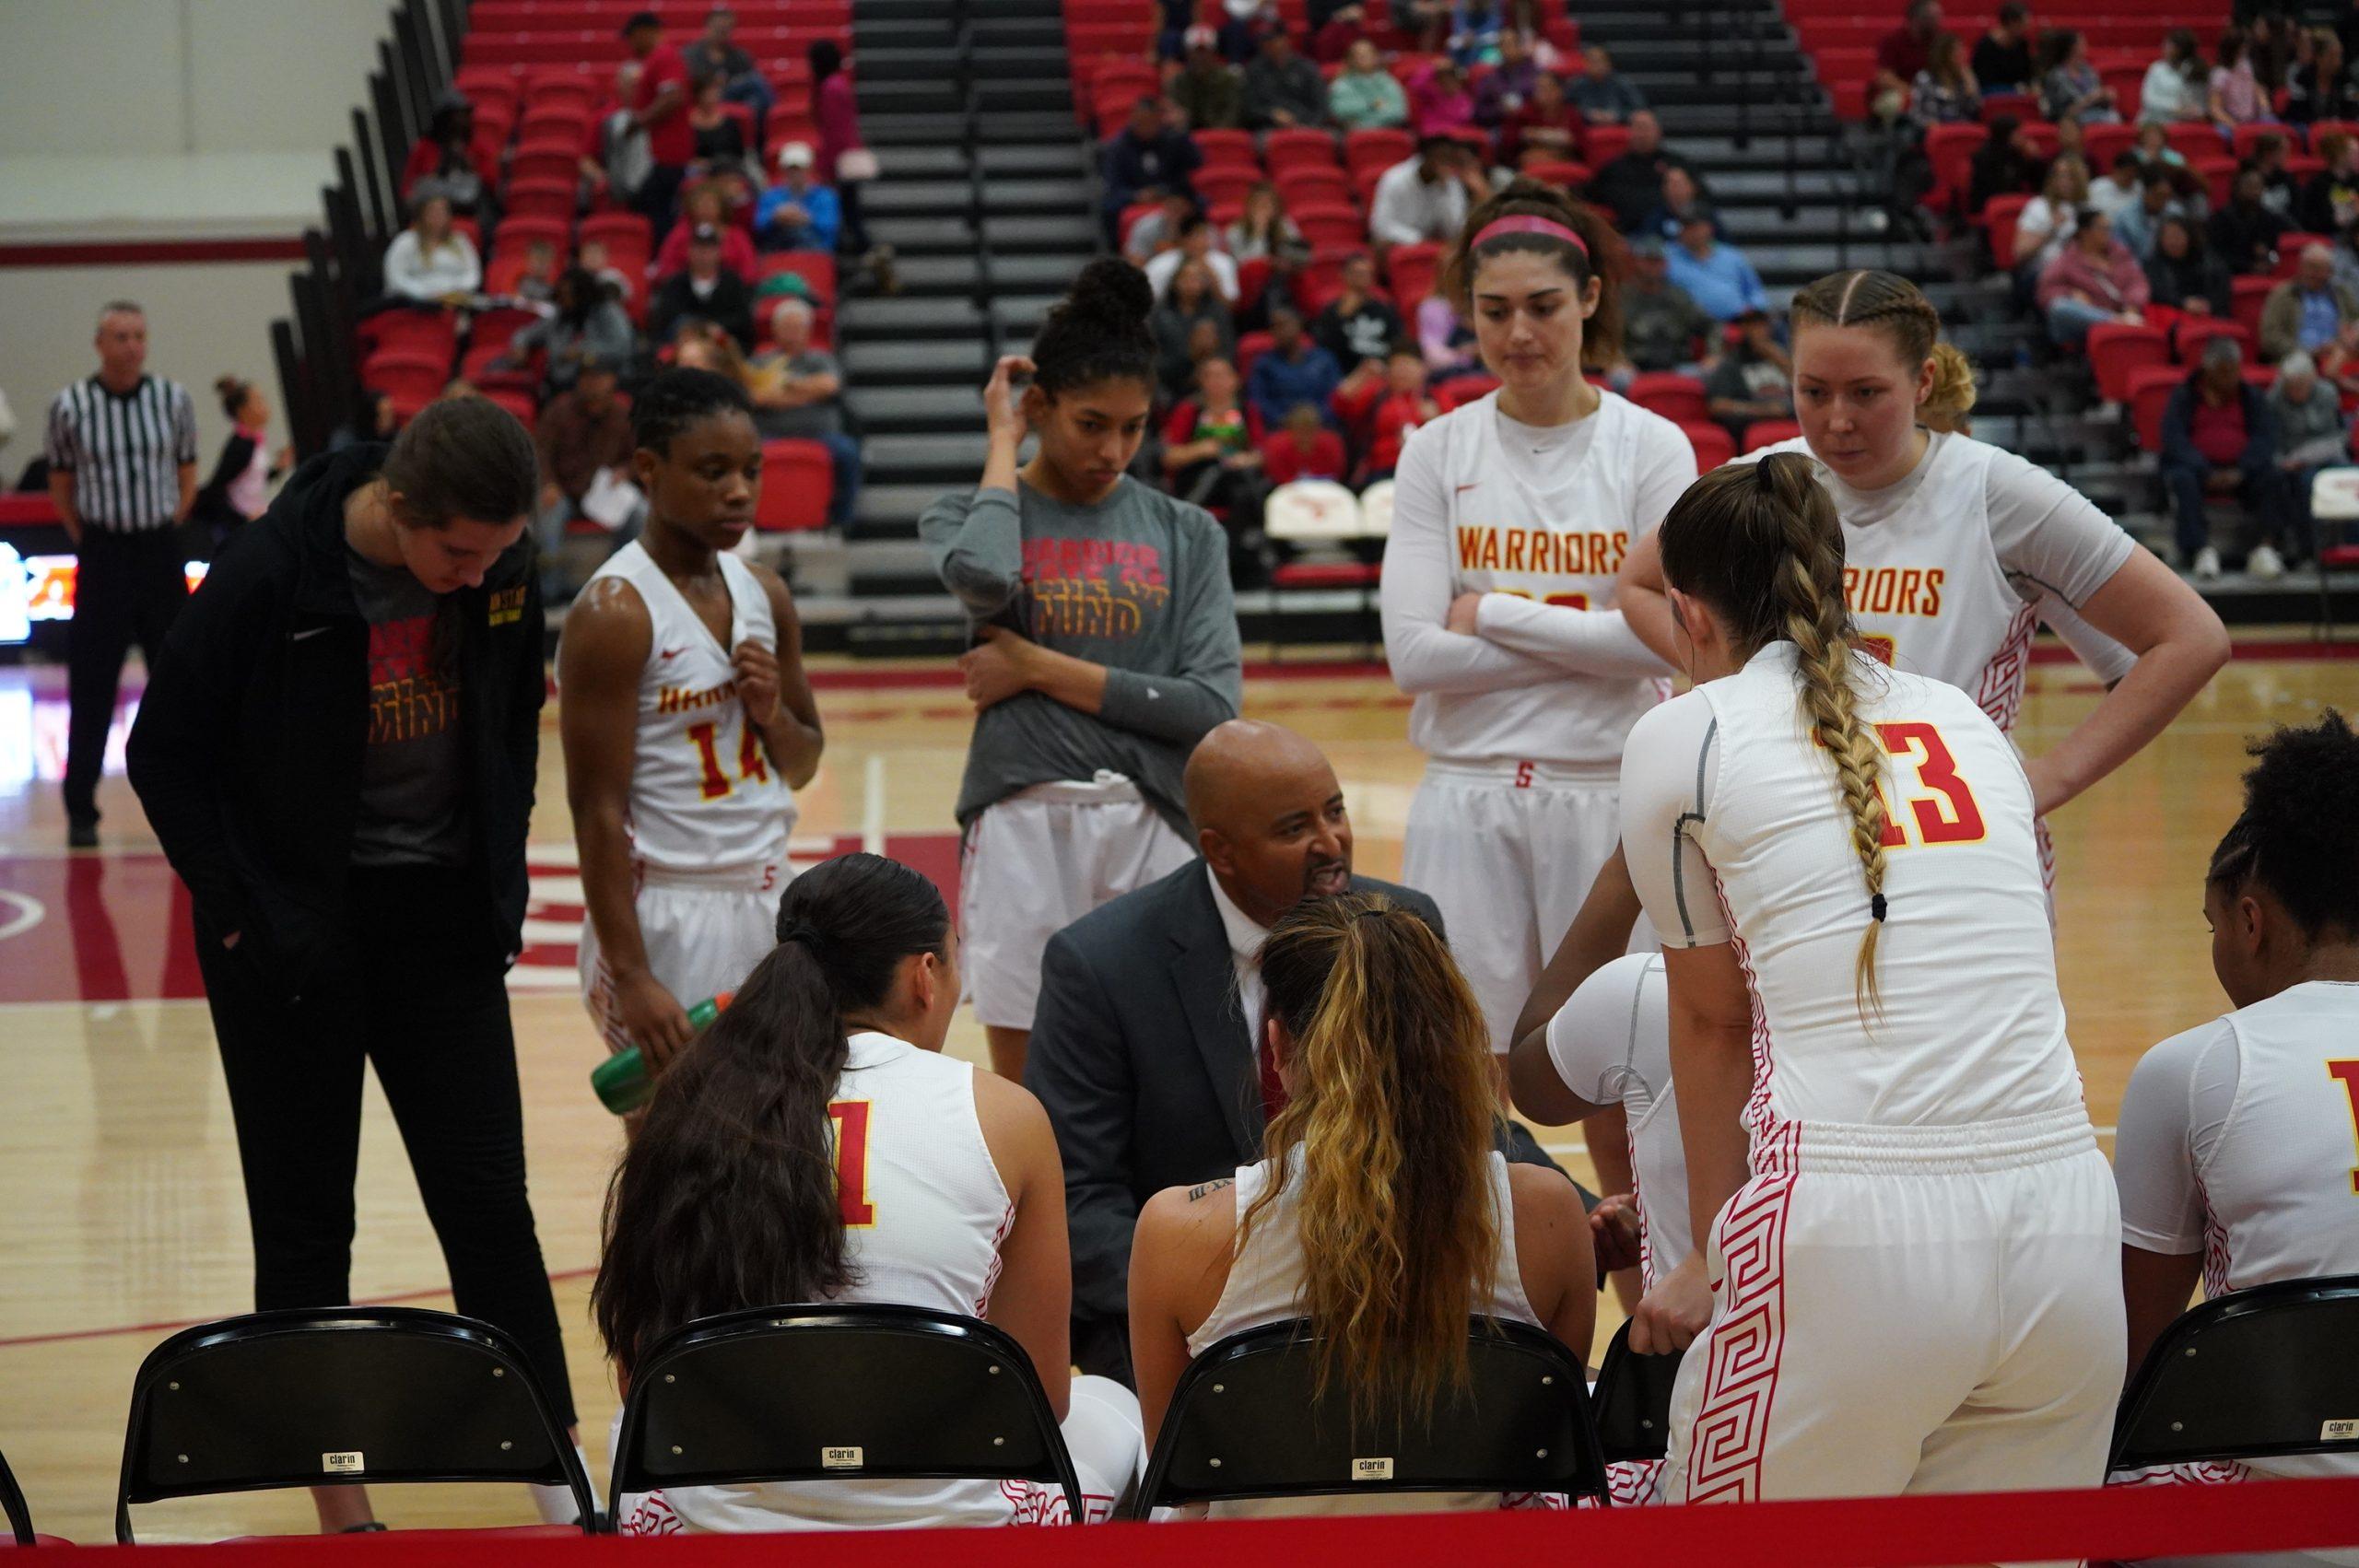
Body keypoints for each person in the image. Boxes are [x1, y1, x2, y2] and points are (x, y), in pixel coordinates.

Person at [1618, 454, 2122, 1501]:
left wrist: (1714, 1254)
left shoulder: (1680, 733)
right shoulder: (1966, 718)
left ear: (1687, 614)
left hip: (1851, 1231)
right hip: (2068, 1220)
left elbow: (1711, 1027)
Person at [125, 398, 580, 1531]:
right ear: (398, 508)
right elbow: (162, 753)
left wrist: (501, 883)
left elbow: (516, 719)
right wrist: (238, 915)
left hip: (441, 929)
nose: (477, 578)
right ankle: (338, 1495)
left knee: (487, 1204)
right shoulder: (271, 572)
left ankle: (560, 1469)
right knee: (304, 1217)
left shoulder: (502, 568)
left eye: (498, 552)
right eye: (457, 555)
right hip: (293, 939)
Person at [1616, 269, 2229, 882]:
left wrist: (2050, 778)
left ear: (1923, 380)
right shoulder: (1763, 482)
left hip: (1963, 841)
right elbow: (1640, 582)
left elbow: (2192, 636)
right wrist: (1725, 686)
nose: (1837, 420)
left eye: (1865, 392)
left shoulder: (1998, 492)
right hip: (1796, 826)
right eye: (1813, 391)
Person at [599, 854, 1142, 1531]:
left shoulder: (684, 1107)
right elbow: (1041, 1396)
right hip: (955, 1524)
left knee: (626, 1428)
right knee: (1115, 1408)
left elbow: (641, 1384)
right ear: (924, 976)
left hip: (724, 1526)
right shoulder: (1006, 1114)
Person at [1128, 891, 1598, 1513]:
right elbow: (1541, 1452)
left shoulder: (1177, 1232)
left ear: (1279, 1049)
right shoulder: (1548, 1213)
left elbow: (1178, 1474)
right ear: (1453, 1046)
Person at [1024, 720, 1446, 1378]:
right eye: (1293, 828)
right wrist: (1239, 1285)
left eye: (1334, 812)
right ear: (1219, 850)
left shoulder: (1401, 926)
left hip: (1389, 1297)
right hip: (1197, 1323)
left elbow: (1461, 1114)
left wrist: (1584, 1215)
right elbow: (1076, 1197)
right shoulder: (1101, 965)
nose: (1331, 843)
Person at [1379, 181, 1692, 1050]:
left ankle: (1632, 1201)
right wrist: (1598, 643)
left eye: (1544, 307)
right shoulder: (1437, 450)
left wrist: (1490, 613)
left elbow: (1664, 645)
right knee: (1464, 1065)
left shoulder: (1653, 446)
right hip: (1466, 791)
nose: (1519, 333)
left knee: (1618, 1061)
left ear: (1590, 300)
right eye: (1494, 310)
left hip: (1607, 792)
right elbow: (1412, 656)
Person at [919, 260, 1242, 1084]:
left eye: (1133, 428)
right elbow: (987, 581)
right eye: (1090, 423)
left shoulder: (1187, 531)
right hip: (1023, 816)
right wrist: (1002, 442)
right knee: (1035, 1090)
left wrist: (1033, 666)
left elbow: (1209, 707)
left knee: (1168, 1077)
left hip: (1153, 816)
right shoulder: (969, 515)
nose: (1112, 450)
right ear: (1039, 407)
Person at [2112, 711, 2359, 1500]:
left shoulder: (2195, 1067)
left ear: (2251, 922)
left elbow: (2133, 1358)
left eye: (2211, 925)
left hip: (2277, 1520)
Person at [559, 369, 822, 1078]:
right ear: (649, 468)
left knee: (778, 1134)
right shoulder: (614, 612)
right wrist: (635, 975)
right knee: (672, 1148)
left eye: (750, 470)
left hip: (767, 892)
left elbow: (803, 763)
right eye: (713, 471)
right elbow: (596, 811)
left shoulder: (764, 592)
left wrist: (770, 715)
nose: (738, 490)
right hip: (668, 909)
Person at [43, 302, 198, 848]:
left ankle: (192, 800)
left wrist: (170, 522)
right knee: (91, 683)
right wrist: (86, 534)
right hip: (104, 552)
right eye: (120, 336)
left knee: (178, 678)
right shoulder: (71, 405)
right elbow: (60, 482)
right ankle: (81, 812)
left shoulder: (173, 399)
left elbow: (186, 471)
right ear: (99, 343)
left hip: (158, 549)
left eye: (139, 335)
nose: (131, 345)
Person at [2162, 336, 2292, 581]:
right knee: (2181, 478)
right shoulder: (2184, 396)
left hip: (2242, 470)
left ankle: (2265, 548)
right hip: (2199, 470)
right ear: (2207, 370)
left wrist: (2242, 469)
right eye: (2223, 373)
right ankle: (2199, 550)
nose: (2230, 378)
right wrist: (2203, 469)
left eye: (2234, 372)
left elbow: (2264, 438)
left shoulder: (2251, 396)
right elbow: (2174, 440)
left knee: (2273, 476)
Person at [749, 298, 862, 533]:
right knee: (744, 460)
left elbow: (829, 386)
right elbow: (756, 396)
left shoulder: (822, 359)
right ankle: (754, 521)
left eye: (797, 327)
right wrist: (808, 394)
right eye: (786, 327)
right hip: (771, 434)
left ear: (808, 330)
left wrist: (785, 387)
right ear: (775, 330)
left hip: (820, 434)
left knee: (848, 453)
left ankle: (841, 521)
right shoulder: (760, 361)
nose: (791, 334)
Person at [531, 357, 638, 599]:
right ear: (579, 381)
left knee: (640, 511)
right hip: (564, 490)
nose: (594, 384)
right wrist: (548, 484)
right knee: (549, 511)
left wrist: (627, 471)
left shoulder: (623, 414)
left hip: (605, 493)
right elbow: (541, 452)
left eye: (599, 377)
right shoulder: (559, 410)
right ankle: (550, 590)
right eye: (588, 378)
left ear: (611, 380)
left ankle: (621, 581)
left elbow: (640, 455)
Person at [809, 38, 888, 287]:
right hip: (846, 152)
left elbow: (835, 131)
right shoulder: (839, 83)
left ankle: (868, 252)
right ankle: (865, 253)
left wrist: (827, 164)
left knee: (848, 210)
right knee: (849, 208)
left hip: (841, 157)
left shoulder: (830, 88)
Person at [2260, 351, 2341, 575]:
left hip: (2326, 459)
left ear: (2313, 379)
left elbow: (2334, 440)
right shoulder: (2274, 398)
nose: (2294, 392)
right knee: (2278, 481)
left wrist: (2301, 459)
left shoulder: (2327, 393)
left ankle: (2335, 548)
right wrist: (2283, 462)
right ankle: (2302, 551)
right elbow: (2271, 441)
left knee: (2314, 481)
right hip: (2287, 462)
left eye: (2300, 386)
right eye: (2290, 386)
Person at [502, 267, 639, 398]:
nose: (564, 300)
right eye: (562, 295)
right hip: (562, 385)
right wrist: (520, 345)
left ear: (582, 294)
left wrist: (582, 351)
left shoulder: (607, 312)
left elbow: (623, 347)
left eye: (569, 295)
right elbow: (525, 333)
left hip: (604, 382)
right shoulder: (561, 315)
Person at [192, 375, 291, 544]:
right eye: (259, 401)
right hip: (239, 527)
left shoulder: (253, 442)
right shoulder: (240, 446)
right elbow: (219, 488)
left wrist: (279, 468)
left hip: (253, 518)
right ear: (242, 410)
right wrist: (242, 518)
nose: (266, 407)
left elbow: (249, 482)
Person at [622, 9, 694, 229]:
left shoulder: (664, 56)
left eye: (632, 37)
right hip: (661, 152)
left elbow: (673, 97)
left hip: (666, 153)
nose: (630, 45)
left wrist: (640, 121)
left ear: (644, 32)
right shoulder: (658, 58)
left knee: (658, 212)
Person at [1100, 96, 1202, 250]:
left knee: (1201, 203)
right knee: (1109, 208)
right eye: (1141, 122)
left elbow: (1196, 162)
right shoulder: (1119, 147)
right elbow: (1114, 185)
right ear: (1133, 120)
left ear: (1159, 120)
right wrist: (1135, 196)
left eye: (1151, 122)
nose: (1146, 127)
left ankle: (1194, 247)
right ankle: (1117, 252)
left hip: (1170, 194)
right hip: (1133, 196)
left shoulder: (1172, 140)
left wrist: (1182, 130)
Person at [2038, 209, 2150, 347]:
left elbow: (2138, 282)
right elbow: (2046, 291)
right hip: (2084, 322)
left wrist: (2132, 306)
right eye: (2103, 228)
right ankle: (2117, 322)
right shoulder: (2067, 259)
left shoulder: (2120, 254)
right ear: (2085, 232)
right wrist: (2070, 293)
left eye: (2109, 228)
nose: (2108, 232)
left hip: (2124, 311)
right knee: (2060, 308)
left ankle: (2121, 321)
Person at [1590, 111, 1708, 233]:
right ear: (1628, 132)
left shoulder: (1679, 165)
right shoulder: (1613, 169)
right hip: (1630, 235)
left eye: (1646, 128)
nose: (1642, 134)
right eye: (1637, 128)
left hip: (1681, 233)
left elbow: (1703, 199)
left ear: (1658, 131)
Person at [1619, 235, 1716, 373]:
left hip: (1678, 364)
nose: (1652, 266)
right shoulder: (1622, 297)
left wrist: (1713, 355)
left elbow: (1711, 325)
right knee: (1620, 377)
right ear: (1636, 262)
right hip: (1634, 365)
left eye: (1657, 261)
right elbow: (1606, 334)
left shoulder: (1679, 297)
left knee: (1711, 373)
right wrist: (1617, 359)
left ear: (1665, 264)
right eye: (1647, 261)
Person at [1369, 135, 1487, 249]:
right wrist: (1418, 240)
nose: (1444, 162)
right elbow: (1381, 225)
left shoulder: (1449, 182)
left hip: (1429, 243)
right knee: (1382, 243)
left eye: (1448, 158)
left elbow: (1454, 230)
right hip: (1398, 241)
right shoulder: (1395, 178)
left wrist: (1444, 191)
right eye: (1440, 156)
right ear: (1426, 156)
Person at [651, 226, 757, 351]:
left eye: (709, 249)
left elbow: (743, 319)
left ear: (719, 252)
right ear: (689, 251)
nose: (704, 255)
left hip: (724, 348)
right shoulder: (675, 283)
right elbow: (667, 318)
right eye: (699, 249)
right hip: (684, 347)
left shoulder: (732, 282)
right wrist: (700, 328)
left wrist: (717, 327)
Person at [1246, 305, 1344, 430]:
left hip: (1320, 428)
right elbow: (1258, 402)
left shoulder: (1324, 360)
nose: (1279, 331)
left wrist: (1315, 419)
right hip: (1280, 430)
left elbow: (1336, 397)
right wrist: (1283, 420)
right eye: (1274, 327)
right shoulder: (1264, 365)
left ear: (1299, 324)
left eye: (1284, 325)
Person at [1150, 257, 1236, 398]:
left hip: (1210, 380)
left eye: (1197, 278)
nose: (1191, 283)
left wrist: (1205, 371)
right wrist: (1190, 356)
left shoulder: (1217, 312)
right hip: (1170, 381)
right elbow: (1153, 360)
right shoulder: (1159, 314)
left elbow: (1228, 351)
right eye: (1186, 278)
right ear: (1175, 281)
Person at [1703, 310, 1795, 439]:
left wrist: (1777, 356)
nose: (1758, 331)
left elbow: (1803, 384)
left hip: (1789, 418)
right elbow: (1717, 405)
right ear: (1743, 329)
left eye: (1761, 325)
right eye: (1752, 326)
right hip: (1752, 424)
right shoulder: (1731, 363)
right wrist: (1762, 410)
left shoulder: (1782, 356)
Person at [1664, 208, 1768, 322]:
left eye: (1695, 227)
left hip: (1735, 323)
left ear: (1709, 228)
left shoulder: (1732, 257)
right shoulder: (1667, 257)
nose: (1691, 232)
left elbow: (1755, 291)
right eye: (1686, 228)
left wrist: (1753, 309)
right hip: (1687, 326)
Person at [2261, 244, 2359, 363]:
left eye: (2320, 269)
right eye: (2311, 267)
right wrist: (2309, 351)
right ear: (2301, 267)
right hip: (2297, 356)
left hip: (2338, 354)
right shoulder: (2283, 294)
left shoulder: (2342, 293)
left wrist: (2348, 337)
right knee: (2300, 368)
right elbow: (2270, 336)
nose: (2315, 273)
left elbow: (2356, 321)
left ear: (2330, 271)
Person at [1311, 251, 1404, 369]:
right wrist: (1341, 316)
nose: (1362, 278)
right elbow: (1324, 350)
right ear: (1343, 275)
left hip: (1381, 373)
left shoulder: (1385, 310)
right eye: (1357, 273)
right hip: (1345, 375)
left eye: (1367, 273)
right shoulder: (1331, 311)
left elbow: (1398, 345)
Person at [382, 194, 481, 304]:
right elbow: (396, 278)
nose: (438, 216)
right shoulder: (405, 241)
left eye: (443, 211)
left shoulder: (460, 241)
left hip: (456, 301)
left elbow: (473, 274)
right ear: (422, 215)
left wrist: (453, 292)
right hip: (415, 304)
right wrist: (428, 294)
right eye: (433, 211)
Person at [400, 92, 487, 216]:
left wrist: (471, 166)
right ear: (444, 118)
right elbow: (408, 190)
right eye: (458, 115)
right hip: (433, 212)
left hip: (472, 210)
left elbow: (491, 181)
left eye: (465, 114)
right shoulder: (424, 148)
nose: (463, 120)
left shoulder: (476, 145)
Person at [653, 179, 757, 282]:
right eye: (701, 202)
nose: (705, 207)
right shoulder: (680, 233)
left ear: (722, 206)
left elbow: (748, 269)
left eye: (711, 203)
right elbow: (665, 266)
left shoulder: (736, 235)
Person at [683, 5, 773, 121]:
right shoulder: (691, 55)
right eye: (718, 29)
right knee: (754, 81)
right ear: (707, 27)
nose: (722, 33)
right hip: (704, 96)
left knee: (756, 99)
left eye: (726, 29)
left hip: (733, 98)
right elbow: (690, 83)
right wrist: (714, 83)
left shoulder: (739, 55)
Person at [754, 142, 843, 256]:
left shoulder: (826, 196)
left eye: (799, 169)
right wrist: (776, 217)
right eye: (791, 169)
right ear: (783, 170)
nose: (795, 174)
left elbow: (830, 226)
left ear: (809, 169)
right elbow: (759, 225)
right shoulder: (770, 196)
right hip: (778, 248)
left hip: (816, 251)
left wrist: (805, 218)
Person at [1366, 347, 1441, 477]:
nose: (1402, 372)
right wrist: (1362, 374)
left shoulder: (1438, 396)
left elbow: (1456, 436)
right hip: (1384, 467)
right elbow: (1341, 404)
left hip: (1427, 467)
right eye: (1397, 366)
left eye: (1407, 365)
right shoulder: (1376, 394)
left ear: (1423, 369)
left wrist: (1436, 419)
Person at [2210, 166, 2292, 275]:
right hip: (2232, 273)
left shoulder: (2268, 217)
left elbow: (2275, 251)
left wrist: (2268, 254)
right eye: (2249, 186)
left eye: (2258, 186)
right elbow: (2219, 255)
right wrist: (2249, 267)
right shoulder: (2222, 219)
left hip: (2264, 271)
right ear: (2237, 188)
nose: (2254, 191)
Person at [2147, 214, 2234, 317]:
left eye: (2178, 235)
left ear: (2189, 236)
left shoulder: (2208, 260)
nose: (2173, 241)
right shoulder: (2154, 264)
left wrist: (2208, 304)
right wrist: (2183, 303)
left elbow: (2222, 288)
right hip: (2175, 317)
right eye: (2168, 237)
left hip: (2210, 313)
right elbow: (2157, 294)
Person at [1243, 24, 1327, 130]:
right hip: (1268, 127)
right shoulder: (1254, 70)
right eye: (1264, 42)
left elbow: (1321, 107)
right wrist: (1270, 114)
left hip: (1305, 124)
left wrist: (1310, 126)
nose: (1267, 45)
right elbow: (1249, 108)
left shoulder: (1307, 68)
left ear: (1286, 40)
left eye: (1272, 40)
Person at [1142, 214, 1239, 303]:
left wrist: (1211, 275)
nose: (1202, 240)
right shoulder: (1160, 264)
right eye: (1196, 235)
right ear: (1182, 239)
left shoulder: (1224, 262)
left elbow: (1230, 306)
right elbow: (1147, 302)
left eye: (1205, 235)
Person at [1500, 69, 1583, 170]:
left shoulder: (1571, 113)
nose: (1540, 93)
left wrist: (1540, 135)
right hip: (1531, 162)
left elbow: (1581, 145)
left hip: (1564, 161)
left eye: (1546, 88)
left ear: (1559, 91)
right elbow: (1509, 140)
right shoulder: (1525, 111)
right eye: (1538, 88)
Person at [1872, 0, 1949, 109]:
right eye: (1933, 18)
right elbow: (1885, 77)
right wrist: (1914, 92)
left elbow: (1955, 68)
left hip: (1937, 90)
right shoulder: (1893, 41)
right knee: (1891, 102)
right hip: (1904, 91)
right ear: (1918, 19)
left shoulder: (1942, 41)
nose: (1939, 21)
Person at [1967, 114, 2047, 215]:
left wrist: (2035, 159)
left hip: (2014, 203)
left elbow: (2038, 185)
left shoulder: (2018, 153)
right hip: (1988, 207)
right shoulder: (1984, 157)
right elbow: (1995, 190)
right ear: (2007, 136)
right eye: (2018, 133)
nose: (2023, 137)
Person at [2039, 29, 2120, 125]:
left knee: (2114, 117)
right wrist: (2092, 98)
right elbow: (2063, 112)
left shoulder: (2087, 70)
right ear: (2071, 48)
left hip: (2096, 114)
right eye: (2082, 44)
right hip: (2070, 121)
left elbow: (2098, 93)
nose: (2086, 47)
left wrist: (2106, 95)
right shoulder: (2056, 76)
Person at [1171, 26, 1245, 130]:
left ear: (1214, 53)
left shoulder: (1229, 80)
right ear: (1187, 53)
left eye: (1205, 51)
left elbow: (1233, 114)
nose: (1200, 57)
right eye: (1196, 51)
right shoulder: (1179, 82)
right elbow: (1175, 113)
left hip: (1219, 136)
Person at [1328, 36, 1408, 129]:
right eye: (1359, 55)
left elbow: (1399, 112)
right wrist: (1372, 105)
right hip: (1353, 130)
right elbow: (1340, 111)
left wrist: (1369, 118)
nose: (1364, 58)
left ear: (1376, 57)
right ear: (1350, 59)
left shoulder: (1389, 81)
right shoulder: (1341, 84)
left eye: (1368, 54)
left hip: (1386, 128)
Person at [1473, 28, 1545, 127]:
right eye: (1502, 45)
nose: (1506, 50)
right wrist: (1500, 109)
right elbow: (1479, 112)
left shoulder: (1538, 75)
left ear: (1521, 46)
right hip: (1501, 128)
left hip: (1533, 127)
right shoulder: (1491, 79)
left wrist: (1524, 108)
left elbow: (1549, 106)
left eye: (1510, 44)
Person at [2115, 166, 2187, 263]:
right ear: (2145, 192)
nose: (2164, 201)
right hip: (2138, 270)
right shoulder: (2125, 218)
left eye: (2167, 196)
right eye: (2159, 195)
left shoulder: (2176, 212)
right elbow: (2122, 256)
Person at [2288, 27, 2357, 125]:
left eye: (2340, 56)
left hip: (2339, 131)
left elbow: (2351, 113)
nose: (2338, 62)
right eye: (2332, 56)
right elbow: (2297, 114)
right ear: (2318, 57)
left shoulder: (2346, 79)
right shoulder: (2301, 78)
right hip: (2309, 131)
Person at [1910, 33, 1982, 127]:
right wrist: (1934, 127)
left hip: (1961, 128)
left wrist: (1970, 86)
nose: (1963, 55)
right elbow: (1919, 114)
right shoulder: (1925, 78)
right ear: (1945, 55)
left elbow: (1974, 111)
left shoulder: (1965, 77)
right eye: (1958, 51)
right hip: (1933, 130)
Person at [2141, 29, 2209, 125]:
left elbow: (2200, 103)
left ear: (2179, 49)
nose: (2164, 48)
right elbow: (2148, 100)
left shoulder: (2196, 70)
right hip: (2154, 121)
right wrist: (2176, 108)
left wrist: (2194, 111)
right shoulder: (2157, 68)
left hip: (2184, 123)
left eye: (2168, 45)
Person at [1567, 42, 1646, 124]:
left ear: (1609, 63)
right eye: (1592, 61)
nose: (1597, 65)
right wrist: (1586, 114)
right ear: (1585, 63)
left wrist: (1617, 115)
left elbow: (1639, 107)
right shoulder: (1577, 84)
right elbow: (1565, 108)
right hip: (1584, 127)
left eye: (1600, 61)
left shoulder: (1621, 83)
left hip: (1619, 124)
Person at [1970, 1, 2035, 96]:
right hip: (1992, 95)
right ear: (2011, 22)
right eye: (2023, 24)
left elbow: (2026, 74)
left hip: (2018, 93)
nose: (2026, 28)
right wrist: (2014, 90)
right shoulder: (1986, 46)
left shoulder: (2022, 44)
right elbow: (1983, 80)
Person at [2211, 28, 2269, 130]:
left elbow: (2257, 89)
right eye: (2243, 47)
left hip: (2253, 117)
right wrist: (2234, 125)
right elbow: (2215, 108)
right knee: (2224, 134)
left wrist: (2265, 108)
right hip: (2230, 119)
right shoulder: (2220, 73)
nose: (2246, 49)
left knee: (2273, 127)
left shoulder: (2247, 64)